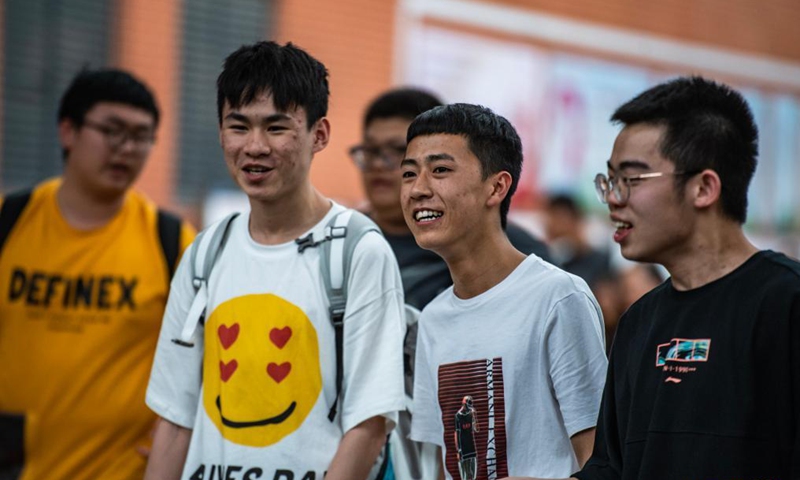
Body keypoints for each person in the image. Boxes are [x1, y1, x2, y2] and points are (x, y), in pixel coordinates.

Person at [511, 76, 800, 479]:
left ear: (703, 188)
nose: (613, 199)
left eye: (630, 180)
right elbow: (611, 470)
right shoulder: (639, 322)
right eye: (609, 181)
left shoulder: (785, 302)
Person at [144, 41, 405, 480]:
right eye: (238, 126)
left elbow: (369, 425)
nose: (255, 146)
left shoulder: (357, 250)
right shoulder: (205, 254)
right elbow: (174, 422)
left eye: (276, 127)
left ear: (319, 134)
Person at [0, 68, 196, 480]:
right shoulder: (10, 221)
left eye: (142, 136)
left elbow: (207, 360)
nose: (126, 148)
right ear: (68, 131)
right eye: (112, 131)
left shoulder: (173, 242)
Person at [401, 103, 607, 479]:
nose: (418, 189)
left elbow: (601, 462)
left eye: (440, 170)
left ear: (497, 186)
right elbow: (440, 465)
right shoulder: (432, 318)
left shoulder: (558, 297)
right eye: (409, 173)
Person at [352, 88, 551, 311]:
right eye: (371, 151)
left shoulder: (517, 253)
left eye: (396, 150)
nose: (378, 164)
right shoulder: (346, 239)